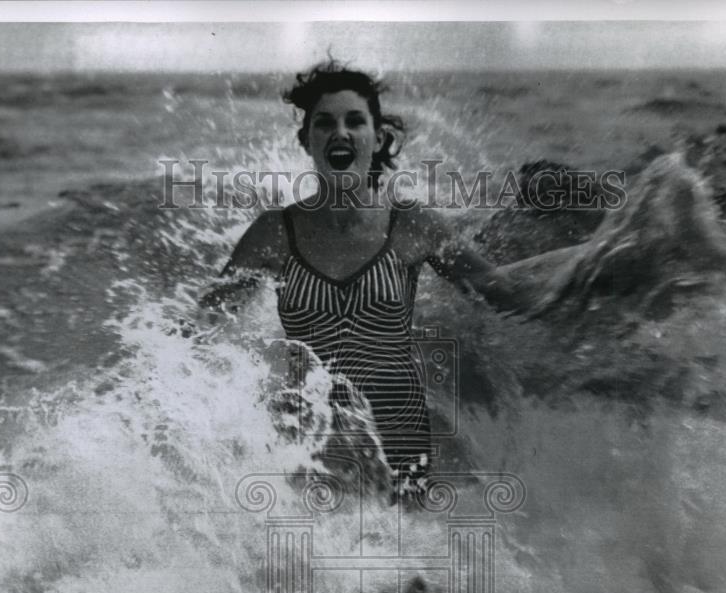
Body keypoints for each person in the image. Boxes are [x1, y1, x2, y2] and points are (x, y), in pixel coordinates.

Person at [214, 60, 555, 499]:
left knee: (412, 559)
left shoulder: (412, 225)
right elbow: (204, 322)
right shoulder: (273, 233)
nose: (341, 132)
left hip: (399, 434)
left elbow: (501, 290)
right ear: (307, 140)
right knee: (310, 561)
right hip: (310, 435)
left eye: (355, 121)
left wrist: (600, 257)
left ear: (376, 138)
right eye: (325, 123)